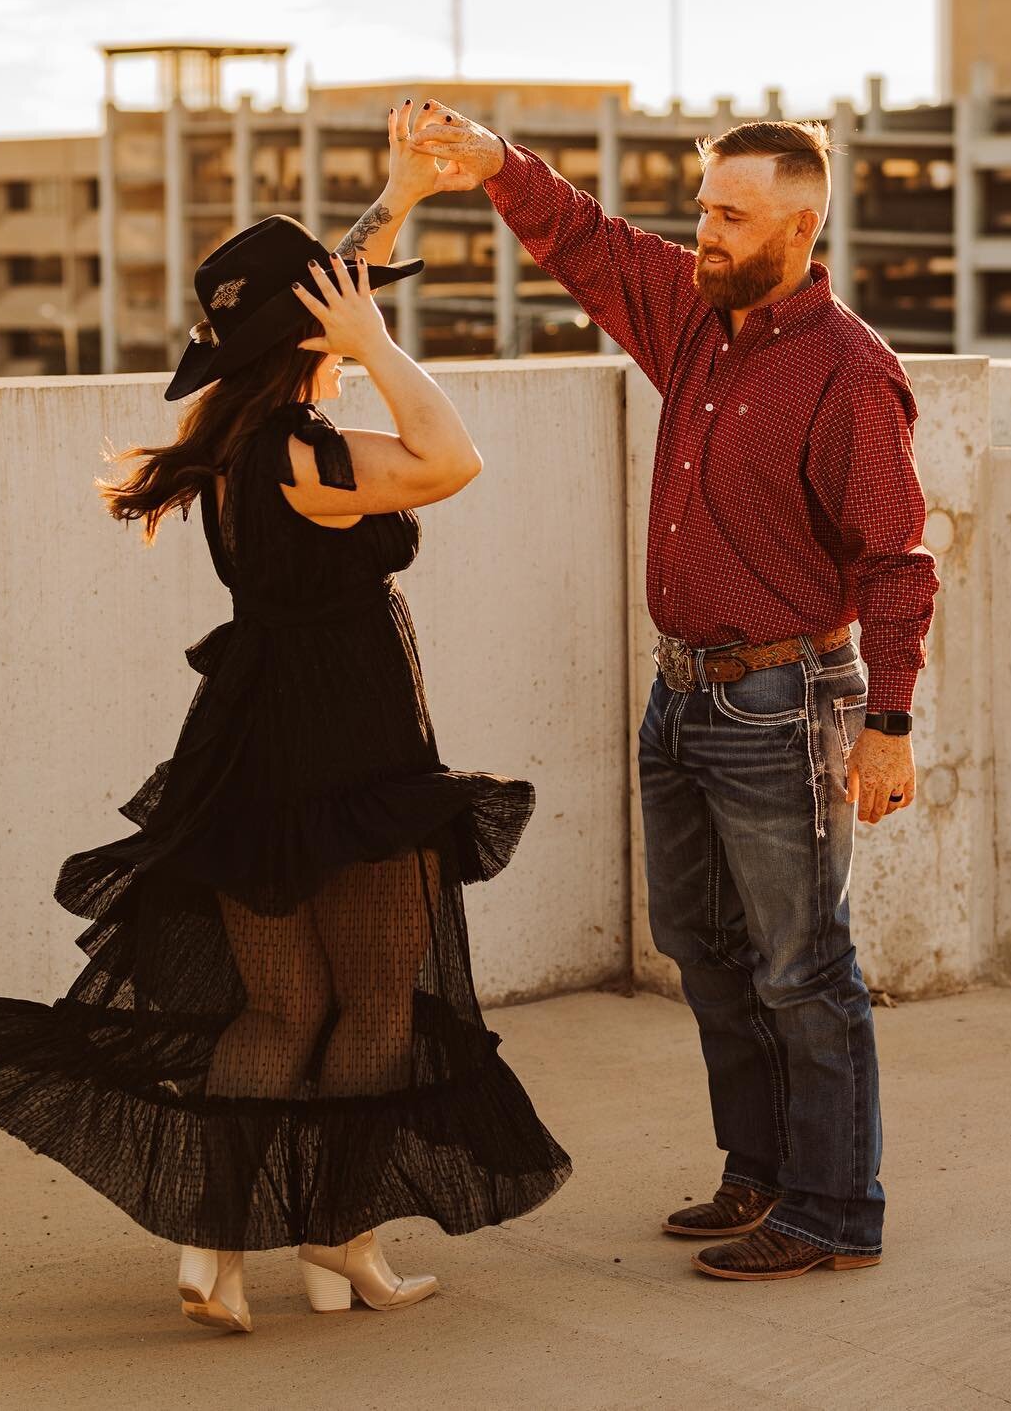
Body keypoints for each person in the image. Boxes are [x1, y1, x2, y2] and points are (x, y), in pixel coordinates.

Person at [0, 102, 571, 1334]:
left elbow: (329, 277)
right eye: (344, 304)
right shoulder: (303, 454)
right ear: (314, 334)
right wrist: (376, 342)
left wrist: (398, 198)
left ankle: (215, 1247)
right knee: (373, 1005)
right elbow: (451, 458)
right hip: (350, 756)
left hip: (253, 750)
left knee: (282, 1009)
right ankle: (334, 1231)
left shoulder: (238, 441)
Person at [396, 102, 938, 1281]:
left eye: (729, 214)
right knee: (702, 943)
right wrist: (495, 162)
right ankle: (761, 1171)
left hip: (786, 698)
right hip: (682, 694)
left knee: (803, 962)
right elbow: (585, 240)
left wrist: (889, 722)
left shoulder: (851, 372)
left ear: (799, 227)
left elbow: (897, 561)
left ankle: (837, 1209)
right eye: (701, 205)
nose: (703, 229)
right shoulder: (696, 317)